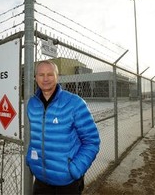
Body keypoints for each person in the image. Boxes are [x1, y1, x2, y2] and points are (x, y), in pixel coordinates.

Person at [26, 60, 100, 195]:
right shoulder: (32, 104)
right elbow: (35, 136)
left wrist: (75, 169)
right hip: (41, 180)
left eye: (50, 74)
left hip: (67, 183)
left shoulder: (74, 103)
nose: (46, 78)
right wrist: (31, 161)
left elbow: (92, 141)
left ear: (57, 77)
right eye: (41, 74)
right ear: (35, 78)